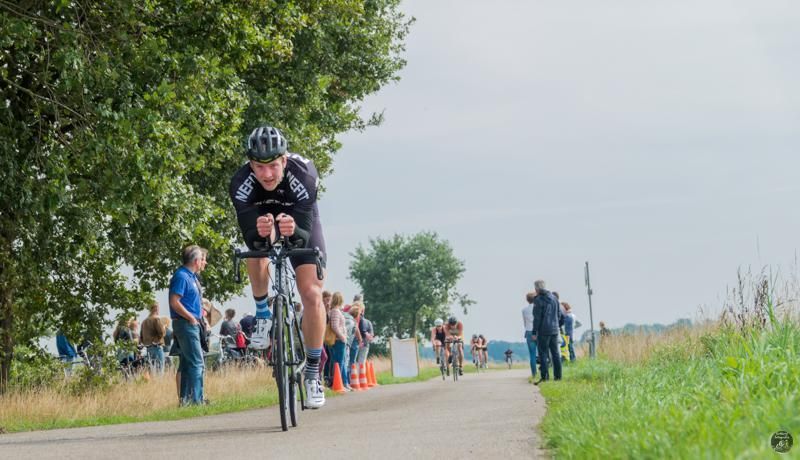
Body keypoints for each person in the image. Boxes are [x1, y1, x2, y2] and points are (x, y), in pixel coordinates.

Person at [229, 125, 328, 409]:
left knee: (311, 294)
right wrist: (263, 233)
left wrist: (293, 229)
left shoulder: (304, 175)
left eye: (273, 165)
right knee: (256, 249)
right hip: (262, 216)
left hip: (300, 218)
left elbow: (303, 236)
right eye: (259, 167)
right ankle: (263, 313)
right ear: (251, 165)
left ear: (284, 160)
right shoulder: (240, 183)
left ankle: (312, 372)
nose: (267, 174)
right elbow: (252, 238)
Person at [169, 244, 208, 406]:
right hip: (186, 324)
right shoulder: (182, 276)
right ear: (196, 260)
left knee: (186, 364)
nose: (203, 262)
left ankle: (185, 400)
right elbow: (174, 301)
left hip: (192, 323)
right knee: (197, 363)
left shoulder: (191, 277)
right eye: (202, 259)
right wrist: (191, 317)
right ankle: (197, 400)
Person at [532, 280, 563, 384]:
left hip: (543, 330)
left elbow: (537, 318)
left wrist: (534, 332)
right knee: (555, 353)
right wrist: (556, 324)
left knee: (543, 354)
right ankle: (558, 377)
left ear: (536, 289)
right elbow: (559, 314)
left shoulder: (538, 300)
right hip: (554, 329)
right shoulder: (554, 298)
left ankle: (544, 377)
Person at [328, 292, 348, 390]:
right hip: (338, 340)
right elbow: (335, 326)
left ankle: (344, 383)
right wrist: (342, 337)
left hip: (339, 340)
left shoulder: (334, 311)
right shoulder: (335, 311)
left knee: (341, 362)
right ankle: (339, 384)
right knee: (339, 362)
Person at [140, 302, 167, 375]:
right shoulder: (156, 319)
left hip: (148, 349)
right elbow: (162, 333)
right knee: (159, 373)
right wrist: (164, 327)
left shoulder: (144, 322)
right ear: (156, 308)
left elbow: (141, 337)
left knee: (152, 372)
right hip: (157, 348)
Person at [522, 291, 538, 378]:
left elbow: (524, 323)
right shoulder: (538, 308)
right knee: (542, 353)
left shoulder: (524, 310)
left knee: (532, 354)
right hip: (538, 332)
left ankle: (534, 374)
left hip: (528, 331)